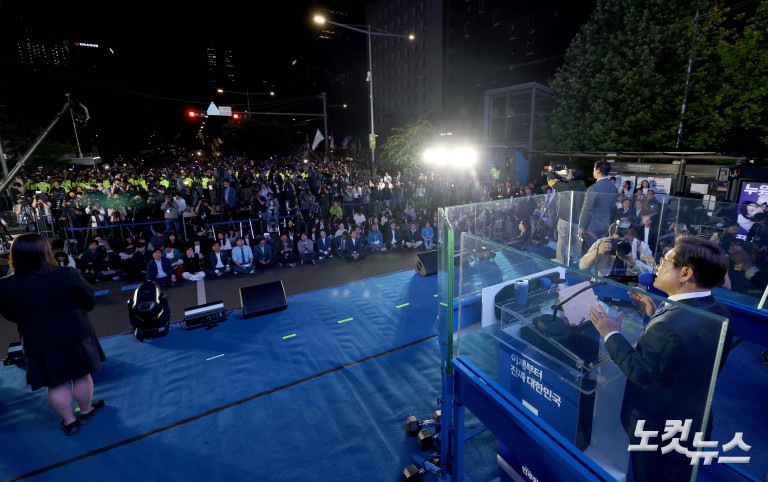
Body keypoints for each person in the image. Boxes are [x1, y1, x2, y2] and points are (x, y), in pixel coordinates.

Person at [588, 236, 733, 482]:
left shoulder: (670, 325)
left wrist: (609, 332)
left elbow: (640, 371)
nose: (658, 267)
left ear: (685, 273)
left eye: (665, 261)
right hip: (691, 419)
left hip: (659, 429)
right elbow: (685, 349)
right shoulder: (718, 309)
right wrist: (655, 314)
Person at [0, 233, 106, 436]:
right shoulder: (66, 274)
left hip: (37, 339)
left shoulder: (4, 286)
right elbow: (88, 300)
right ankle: (85, 411)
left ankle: (69, 421)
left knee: (55, 383)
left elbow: (10, 314)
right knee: (81, 374)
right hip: (75, 332)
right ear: (45, 252)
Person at [579, 223, 654, 277]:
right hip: (601, 285)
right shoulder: (602, 243)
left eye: (626, 241)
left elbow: (652, 273)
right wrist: (597, 252)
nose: (620, 243)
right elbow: (582, 266)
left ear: (633, 238)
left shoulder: (641, 247)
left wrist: (633, 262)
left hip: (630, 290)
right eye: (617, 240)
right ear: (610, 237)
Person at [547, 167, 587, 264]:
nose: (568, 174)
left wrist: (550, 172)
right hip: (577, 219)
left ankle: (560, 259)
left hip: (565, 217)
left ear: (573, 176)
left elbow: (550, 182)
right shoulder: (584, 187)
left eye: (570, 173)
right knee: (573, 240)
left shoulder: (567, 186)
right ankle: (572, 258)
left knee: (562, 238)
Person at [578, 160, 617, 240]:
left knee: (591, 251)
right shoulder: (614, 188)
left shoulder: (593, 188)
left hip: (592, 227)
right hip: (607, 225)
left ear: (598, 171)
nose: (593, 172)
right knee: (603, 250)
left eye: (594, 170)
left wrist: (581, 226)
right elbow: (613, 208)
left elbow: (587, 209)